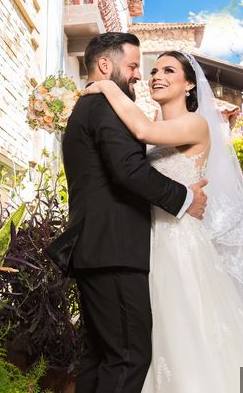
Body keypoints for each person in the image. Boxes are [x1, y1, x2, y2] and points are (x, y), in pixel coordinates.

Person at [81, 50, 243, 392]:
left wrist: (105, 86)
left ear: (189, 84)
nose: (156, 76)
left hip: (181, 245)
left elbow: (143, 129)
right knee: (148, 337)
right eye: (154, 70)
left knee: (186, 330)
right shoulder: (156, 129)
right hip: (147, 243)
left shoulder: (195, 123)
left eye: (168, 70)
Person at [48, 33, 209, 393]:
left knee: (101, 355)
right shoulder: (105, 106)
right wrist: (184, 197)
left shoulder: (95, 105)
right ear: (106, 66)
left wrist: (106, 89)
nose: (141, 75)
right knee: (127, 357)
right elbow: (130, 172)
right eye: (135, 66)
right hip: (115, 251)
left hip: (109, 248)